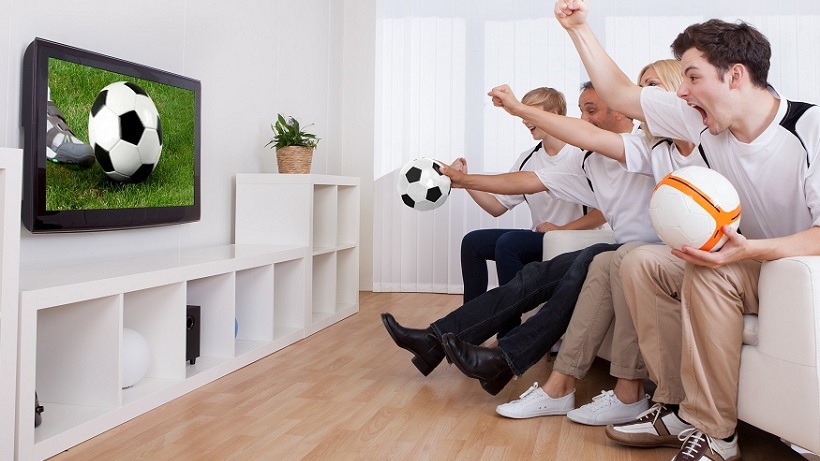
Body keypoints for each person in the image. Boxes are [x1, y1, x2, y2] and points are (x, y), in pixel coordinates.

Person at [555, 1, 820, 460]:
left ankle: (715, 432)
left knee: (711, 271)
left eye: (693, 77)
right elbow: (619, 93)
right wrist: (579, 28)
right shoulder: (700, 119)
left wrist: (748, 250)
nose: (682, 92)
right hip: (747, 261)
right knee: (640, 261)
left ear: (735, 76)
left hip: (799, 268)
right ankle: (675, 405)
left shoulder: (808, 127)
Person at [381, 83, 658, 396]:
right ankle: (440, 340)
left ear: (622, 109)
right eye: (580, 110)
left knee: (567, 261)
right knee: (534, 275)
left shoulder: (644, 147)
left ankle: (497, 356)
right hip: (616, 247)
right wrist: (463, 181)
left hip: (639, 250)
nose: (582, 118)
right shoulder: (589, 162)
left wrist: (564, 229)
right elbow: (528, 181)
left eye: (590, 110)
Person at [488, 59, 706, 426]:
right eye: (641, 89)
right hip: (648, 249)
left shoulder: (700, 140)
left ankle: (631, 394)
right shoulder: (650, 148)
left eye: (653, 88)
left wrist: (521, 108)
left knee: (617, 258)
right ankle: (561, 386)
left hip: (676, 253)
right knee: (605, 260)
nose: (644, 97)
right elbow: (544, 172)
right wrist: (462, 182)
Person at [458, 87, 605, 307]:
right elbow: (497, 207)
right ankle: (469, 324)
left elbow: (603, 212)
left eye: (529, 112)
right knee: (472, 242)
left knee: (510, 243)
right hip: (543, 237)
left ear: (553, 114)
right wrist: (464, 180)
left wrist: (562, 229)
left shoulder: (582, 154)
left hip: (578, 237)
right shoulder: (527, 159)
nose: (525, 120)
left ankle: (508, 333)